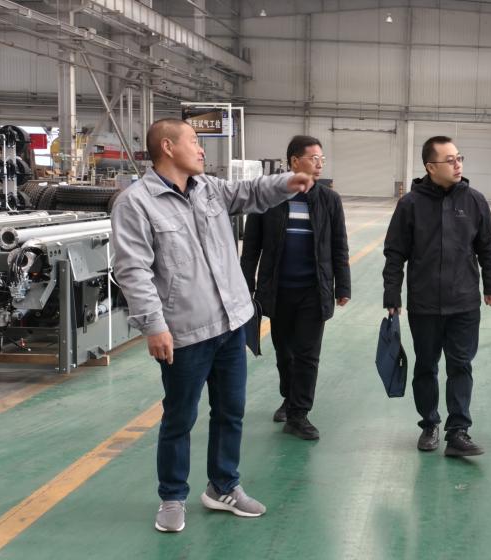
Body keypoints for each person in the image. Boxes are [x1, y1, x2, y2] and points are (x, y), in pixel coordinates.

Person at [112, 118, 313, 533]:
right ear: (168, 147)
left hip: (231, 323)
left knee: (230, 411)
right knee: (179, 418)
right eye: (194, 141)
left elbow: (251, 192)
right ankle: (172, 497)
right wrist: (154, 325)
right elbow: (132, 270)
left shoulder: (209, 189)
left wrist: (287, 182)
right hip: (184, 331)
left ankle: (223, 487)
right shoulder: (136, 203)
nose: (202, 149)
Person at [382, 136, 491, 458]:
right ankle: (429, 424)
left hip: (464, 302)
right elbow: (395, 252)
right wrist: (392, 294)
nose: (457, 164)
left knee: (461, 365)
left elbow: (487, 247)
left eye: (459, 157)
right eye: (450, 160)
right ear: (430, 167)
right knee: (426, 366)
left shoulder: (474, 201)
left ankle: (458, 431)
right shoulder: (410, 204)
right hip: (424, 303)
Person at [241, 135, 351, 440]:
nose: (319, 164)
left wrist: (343, 285)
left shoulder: (329, 200)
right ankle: (289, 398)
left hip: (313, 291)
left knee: (307, 355)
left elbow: (339, 246)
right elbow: (251, 248)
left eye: (322, 159)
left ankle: (299, 414)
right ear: (293, 161)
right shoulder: (268, 199)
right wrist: (245, 286)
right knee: (284, 353)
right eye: (313, 158)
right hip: (278, 290)